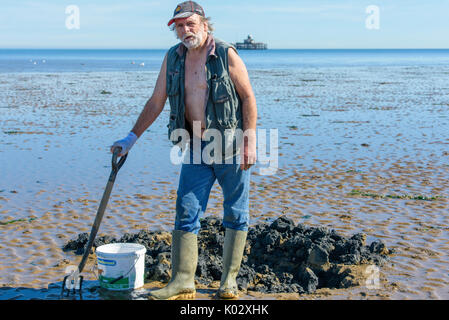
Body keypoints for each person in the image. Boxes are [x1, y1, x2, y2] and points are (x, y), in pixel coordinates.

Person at [111, 1, 257, 300]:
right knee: (186, 211)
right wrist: (130, 138)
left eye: (190, 24)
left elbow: (248, 98)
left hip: (229, 145)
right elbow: (156, 101)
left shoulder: (226, 54)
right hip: (194, 147)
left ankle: (229, 282)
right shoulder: (173, 58)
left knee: (236, 213)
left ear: (205, 24)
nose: (185, 30)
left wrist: (250, 141)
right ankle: (182, 281)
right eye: (179, 26)